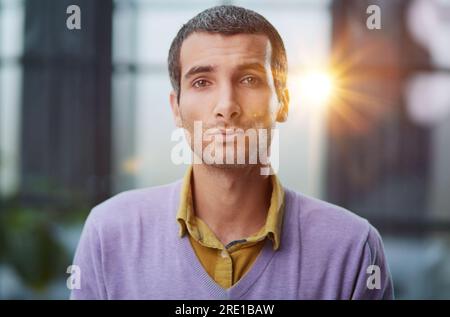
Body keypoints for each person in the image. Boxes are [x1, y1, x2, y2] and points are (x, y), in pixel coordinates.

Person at [70, 5, 394, 300]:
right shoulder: (109, 233)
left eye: (250, 79)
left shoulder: (352, 248)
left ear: (283, 102)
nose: (226, 106)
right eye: (201, 82)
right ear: (176, 109)